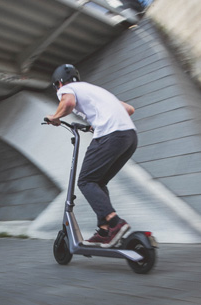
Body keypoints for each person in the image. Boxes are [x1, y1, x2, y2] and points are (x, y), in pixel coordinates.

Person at [46, 64, 138, 248]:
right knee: (98, 182)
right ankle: (104, 231)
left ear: (58, 83)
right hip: (129, 137)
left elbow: (68, 103)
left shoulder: (67, 89)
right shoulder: (94, 90)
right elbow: (129, 109)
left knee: (86, 181)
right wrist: (94, 124)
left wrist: (55, 117)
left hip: (110, 136)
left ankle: (115, 222)